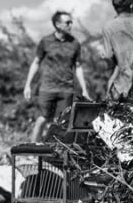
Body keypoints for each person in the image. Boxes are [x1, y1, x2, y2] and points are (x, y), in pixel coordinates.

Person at [22, 11, 91, 143]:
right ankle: (31, 152)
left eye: (71, 22)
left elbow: (78, 66)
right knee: (42, 119)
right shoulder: (45, 41)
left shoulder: (75, 43)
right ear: (58, 24)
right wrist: (27, 85)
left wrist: (84, 89)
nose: (71, 25)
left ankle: (54, 155)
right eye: (67, 22)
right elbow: (36, 62)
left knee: (61, 123)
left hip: (66, 89)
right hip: (47, 88)